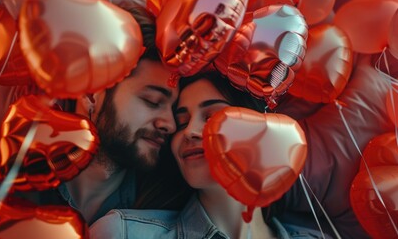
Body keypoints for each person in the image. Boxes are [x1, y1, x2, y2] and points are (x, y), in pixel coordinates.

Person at [0, 2, 192, 227]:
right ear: (91, 94)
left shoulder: (165, 210)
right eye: (152, 101)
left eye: (175, 111)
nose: (170, 124)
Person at [90, 70, 329, 238]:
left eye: (213, 117)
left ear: (260, 128)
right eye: (181, 122)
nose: (190, 132)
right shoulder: (123, 233)